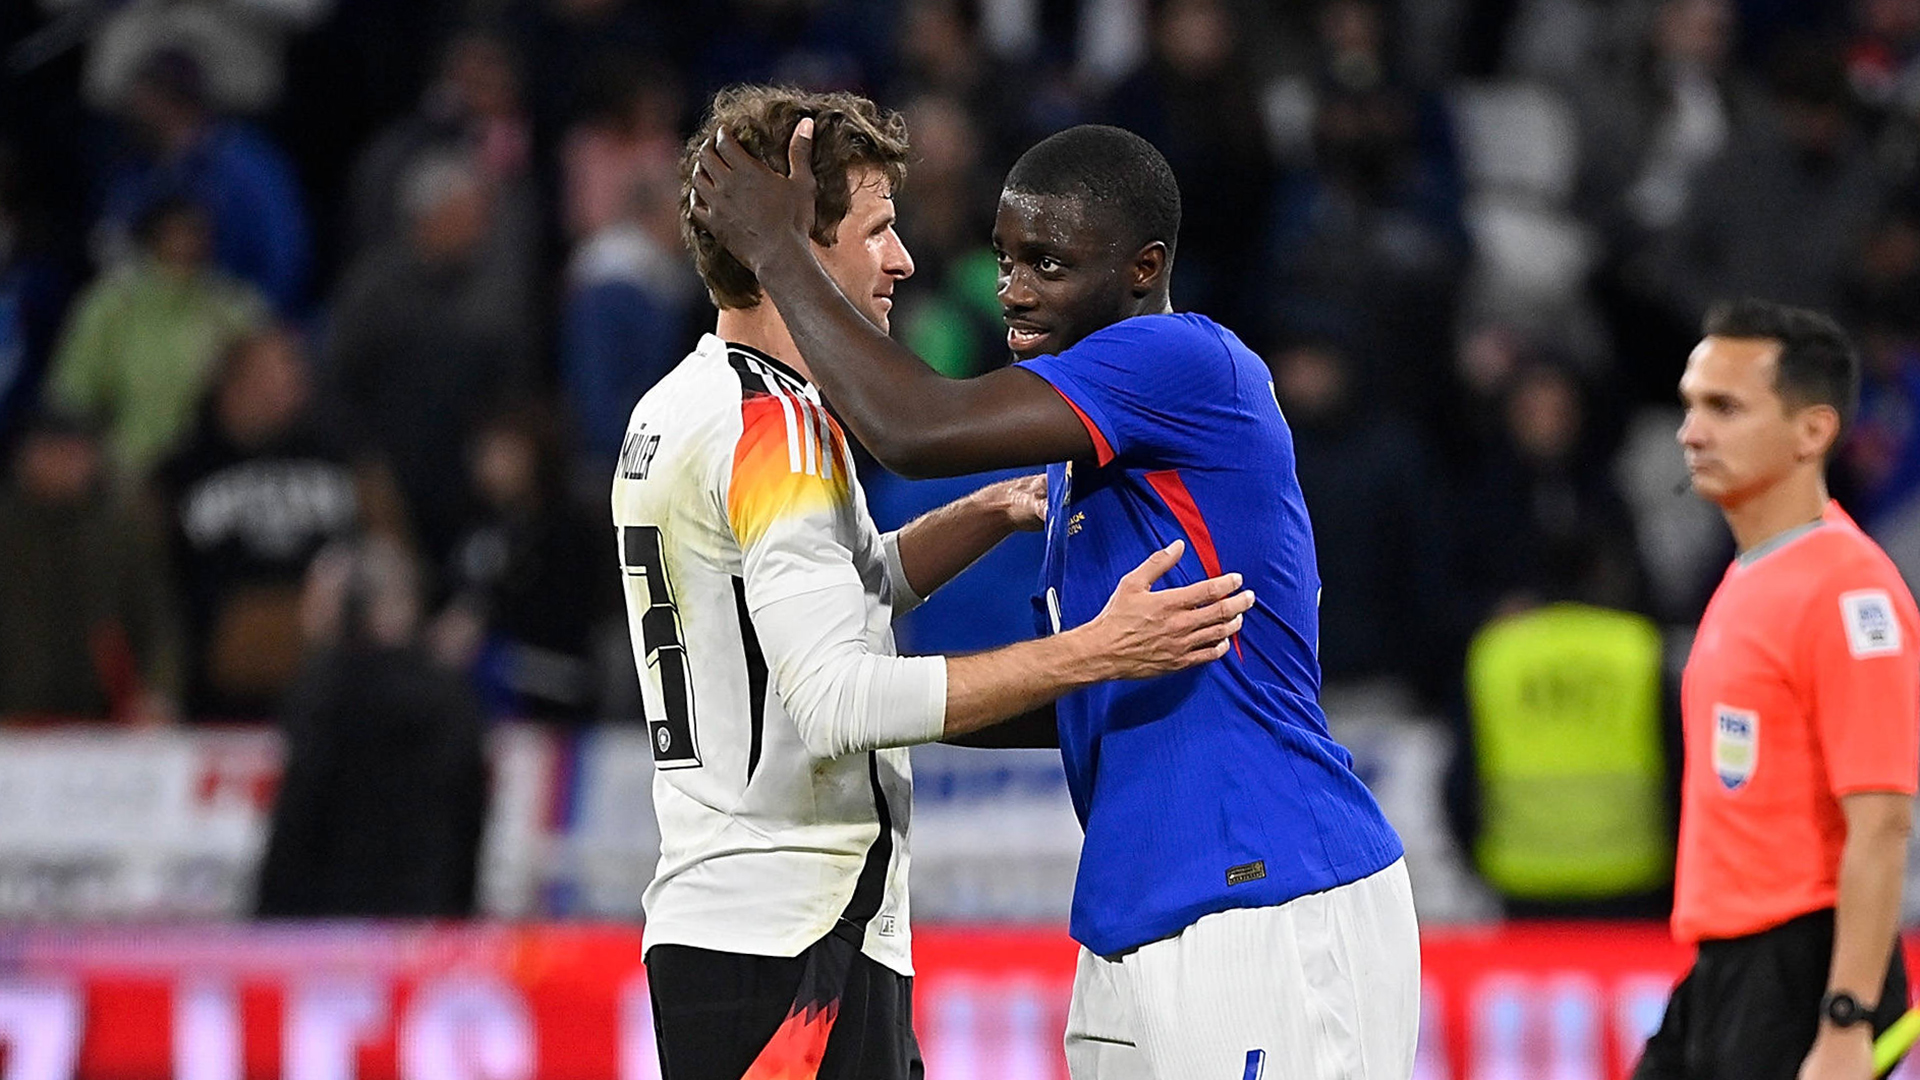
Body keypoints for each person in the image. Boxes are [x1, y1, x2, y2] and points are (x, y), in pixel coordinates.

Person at [694, 113, 1417, 1076]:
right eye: (1005, 258)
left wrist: (779, 252)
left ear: (1142, 268)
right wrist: (848, 697)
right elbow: (1076, 696)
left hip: (1266, 892)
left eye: (1049, 263)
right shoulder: (1091, 463)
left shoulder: (1183, 362)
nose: (1014, 290)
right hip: (1137, 916)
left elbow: (912, 427)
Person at [629, 87, 1254, 1080]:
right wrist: (1093, 651)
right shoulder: (777, 432)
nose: (903, 260)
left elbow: (821, 603)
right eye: (877, 230)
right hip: (797, 939)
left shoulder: (686, 403)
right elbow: (836, 698)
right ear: (797, 240)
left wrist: (979, 516)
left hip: (743, 923)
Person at [1634, 299, 1920, 1080]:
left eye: (1723, 407)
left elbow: (1885, 821)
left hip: (1801, 976)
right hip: (1726, 970)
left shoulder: (1850, 592)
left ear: (1813, 432)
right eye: (1691, 404)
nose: (1691, 431)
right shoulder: (1753, 576)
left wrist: (1846, 1020)